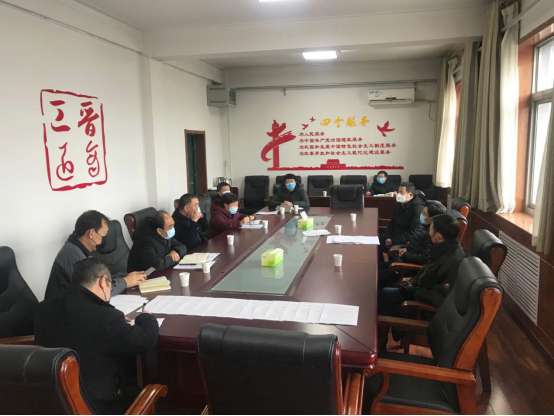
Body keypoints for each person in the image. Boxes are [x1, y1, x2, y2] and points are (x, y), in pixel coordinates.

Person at [35, 258, 159, 414]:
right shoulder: (106, 317)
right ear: (102, 282)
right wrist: (146, 317)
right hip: (98, 405)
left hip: (51, 402)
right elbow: (145, 340)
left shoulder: (43, 308)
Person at [45, 210, 145, 300]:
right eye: (102, 236)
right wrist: (125, 282)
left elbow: (98, 278)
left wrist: (125, 277)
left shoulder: (77, 247)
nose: (102, 242)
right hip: (62, 311)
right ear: (91, 233)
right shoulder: (73, 255)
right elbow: (97, 291)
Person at [379, 214, 465, 317]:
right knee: (382, 289)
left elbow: (439, 297)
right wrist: (413, 281)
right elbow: (428, 271)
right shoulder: (445, 248)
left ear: (438, 237)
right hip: (418, 290)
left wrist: (412, 289)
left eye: (431, 229)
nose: (429, 231)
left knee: (383, 295)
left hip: (420, 307)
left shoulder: (451, 260)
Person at [388, 200, 448, 265]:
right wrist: (407, 249)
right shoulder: (424, 226)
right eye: (422, 212)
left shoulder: (433, 235)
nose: (421, 215)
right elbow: (417, 246)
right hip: (409, 252)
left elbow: (424, 258)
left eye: (424, 214)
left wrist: (405, 254)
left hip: (412, 264)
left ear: (432, 219)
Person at [381, 182, 425, 248]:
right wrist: (388, 236)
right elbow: (392, 222)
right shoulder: (400, 203)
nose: (398, 195)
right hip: (394, 236)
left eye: (401, 193)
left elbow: (415, 232)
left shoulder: (418, 208)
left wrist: (393, 240)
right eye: (398, 192)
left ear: (410, 195)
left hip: (406, 241)